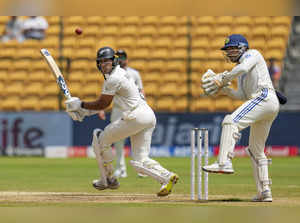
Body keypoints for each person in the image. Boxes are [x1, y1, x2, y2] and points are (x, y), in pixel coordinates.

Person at [65, 46, 178, 196]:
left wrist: (80, 105)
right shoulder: (121, 74)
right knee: (139, 161)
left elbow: (102, 104)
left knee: (101, 140)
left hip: (136, 116)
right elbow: (104, 104)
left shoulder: (113, 78)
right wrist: (83, 112)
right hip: (147, 115)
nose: (104, 64)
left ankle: (109, 178)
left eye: (107, 61)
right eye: (101, 62)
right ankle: (167, 177)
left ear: (114, 61)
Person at [201, 34, 280, 202]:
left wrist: (223, 78)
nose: (229, 53)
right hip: (265, 103)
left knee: (230, 121)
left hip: (264, 98)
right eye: (227, 50)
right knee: (255, 149)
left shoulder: (253, 54)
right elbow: (241, 95)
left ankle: (224, 162)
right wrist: (225, 89)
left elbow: (243, 68)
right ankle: (264, 190)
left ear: (243, 48)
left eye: (232, 49)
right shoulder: (242, 74)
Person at [98, 49, 145, 178]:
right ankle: (121, 169)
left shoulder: (134, 73)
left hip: (133, 109)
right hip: (118, 110)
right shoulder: (109, 75)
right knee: (118, 141)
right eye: (120, 57)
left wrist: (143, 105)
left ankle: (141, 168)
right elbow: (105, 94)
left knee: (138, 139)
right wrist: (101, 109)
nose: (122, 59)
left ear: (127, 59)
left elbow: (141, 91)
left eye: (124, 57)